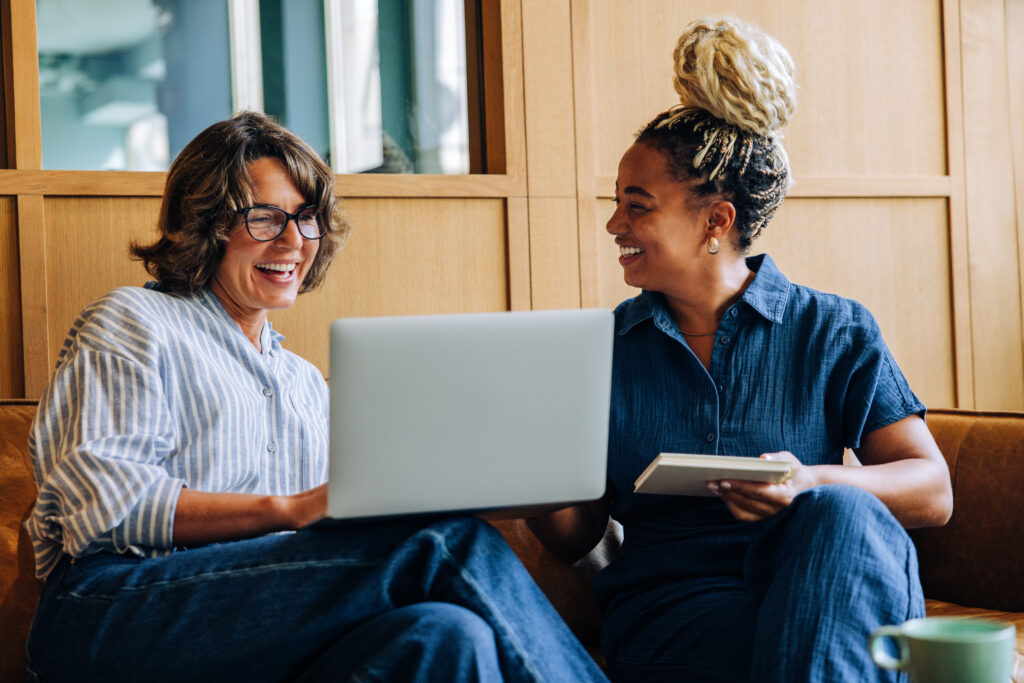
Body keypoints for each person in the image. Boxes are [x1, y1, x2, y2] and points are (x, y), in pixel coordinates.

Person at [24, 111, 608, 683]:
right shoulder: (134, 320)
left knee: (449, 635)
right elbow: (106, 507)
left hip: (254, 626)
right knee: (449, 547)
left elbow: (324, 555)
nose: (293, 241)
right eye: (264, 218)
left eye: (306, 219)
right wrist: (294, 508)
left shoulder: (305, 382)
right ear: (205, 223)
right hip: (108, 610)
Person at [527, 17, 953, 683]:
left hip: (826, 586)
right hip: (678, 617)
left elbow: (931, 490)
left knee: (840, 516)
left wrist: (809, 481)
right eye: (616, 205)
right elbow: (576, 536)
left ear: (716, 221)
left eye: (636, 207)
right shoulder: (603, 348)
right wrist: (528, 464)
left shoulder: (834, 328)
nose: (615, 225)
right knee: (824, 650)